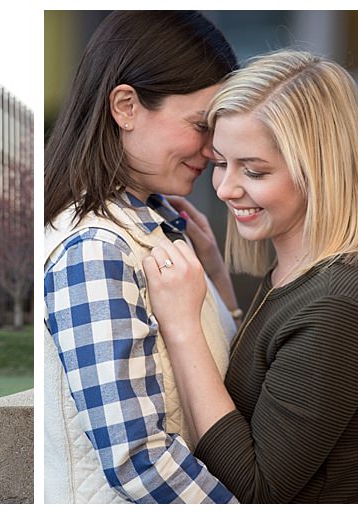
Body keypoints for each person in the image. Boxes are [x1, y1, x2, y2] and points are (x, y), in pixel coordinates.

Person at [143, 50, 358, 503]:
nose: (226, 188)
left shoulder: (336, 303)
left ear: (319, 170)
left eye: (254, 170)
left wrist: (183, 326)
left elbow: (256, 491)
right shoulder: (296, 272)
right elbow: (267, 376)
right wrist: (218, 286)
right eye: (221, 162)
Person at [44, 11, 240, 504]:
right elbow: (141, 462)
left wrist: (217, 278)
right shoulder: (95, 251)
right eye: (201, 124)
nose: (215, 150)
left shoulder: (158, 224)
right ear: (126, 106)